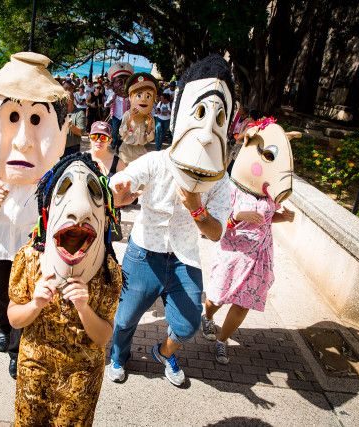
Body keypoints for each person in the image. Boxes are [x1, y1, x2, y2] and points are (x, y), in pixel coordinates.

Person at [107, 55, 235, 386]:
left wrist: (196, 209)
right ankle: (119, 355)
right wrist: (120, 192)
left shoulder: (221, 181)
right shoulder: (156, 161)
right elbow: (122, 188)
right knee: (123, 321)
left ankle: (164, 352)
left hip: (184, 257)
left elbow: (216, 232)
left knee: (189, 323)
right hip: (143, 252)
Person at [0, 51, 69, 379]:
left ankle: (16, 348)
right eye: (12, 117)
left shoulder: (54, 170)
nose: (25, 140)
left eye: (37, 120)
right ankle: (2, 324)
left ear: (62, 132)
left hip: (32, 249)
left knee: (25, 297)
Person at [7, 153, 123, 426]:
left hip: (81, 377)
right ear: (47, 211)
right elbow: (14, 318)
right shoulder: (29, 259)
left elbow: (103, 336)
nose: (78, 219)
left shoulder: (108, 272)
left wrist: (84, 308)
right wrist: (35, 304)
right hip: (34, 370)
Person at [201, 120, 297, 366]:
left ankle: (222, 341)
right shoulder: (230, 188)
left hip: (259, 255)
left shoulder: (268, 191)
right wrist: (237, 216)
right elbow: (216, 225)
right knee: (216, 297)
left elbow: (265, 218)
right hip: (231, 252)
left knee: (243, 304)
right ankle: (208, 316)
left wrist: (282, 217)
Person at [118, 72, 158, 165]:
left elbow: (149, 138)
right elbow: (122, 133)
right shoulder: (127, 114)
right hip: (126, 151)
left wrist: (149, 124)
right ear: (131, 98)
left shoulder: (149, 117)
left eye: (148, 96)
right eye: (139, 95)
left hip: (140, 152)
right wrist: (130, 118)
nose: (144, 99)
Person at [104, 62, 134, 153]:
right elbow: (106, 104)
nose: (124, 86)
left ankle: (119, 148)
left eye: (127, 82)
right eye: (120, 82)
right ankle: (114, 143)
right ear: (113, 86)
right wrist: (113, 100)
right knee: (115, 132)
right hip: (116, 116)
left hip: (126, 118)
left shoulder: (131, 96)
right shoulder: (113, 95)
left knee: (124, 133)